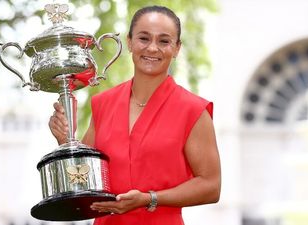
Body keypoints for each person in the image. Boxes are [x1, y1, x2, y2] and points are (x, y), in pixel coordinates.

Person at [49, 5, 221, 225]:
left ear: (177, 48)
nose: (152, 48)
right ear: (129, 42)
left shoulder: (193, 110)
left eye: (164, 41)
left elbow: (211, 186)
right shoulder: (103, 104)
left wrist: (150, 199)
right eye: (144, 38)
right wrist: (65, 141)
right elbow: (83, 179)